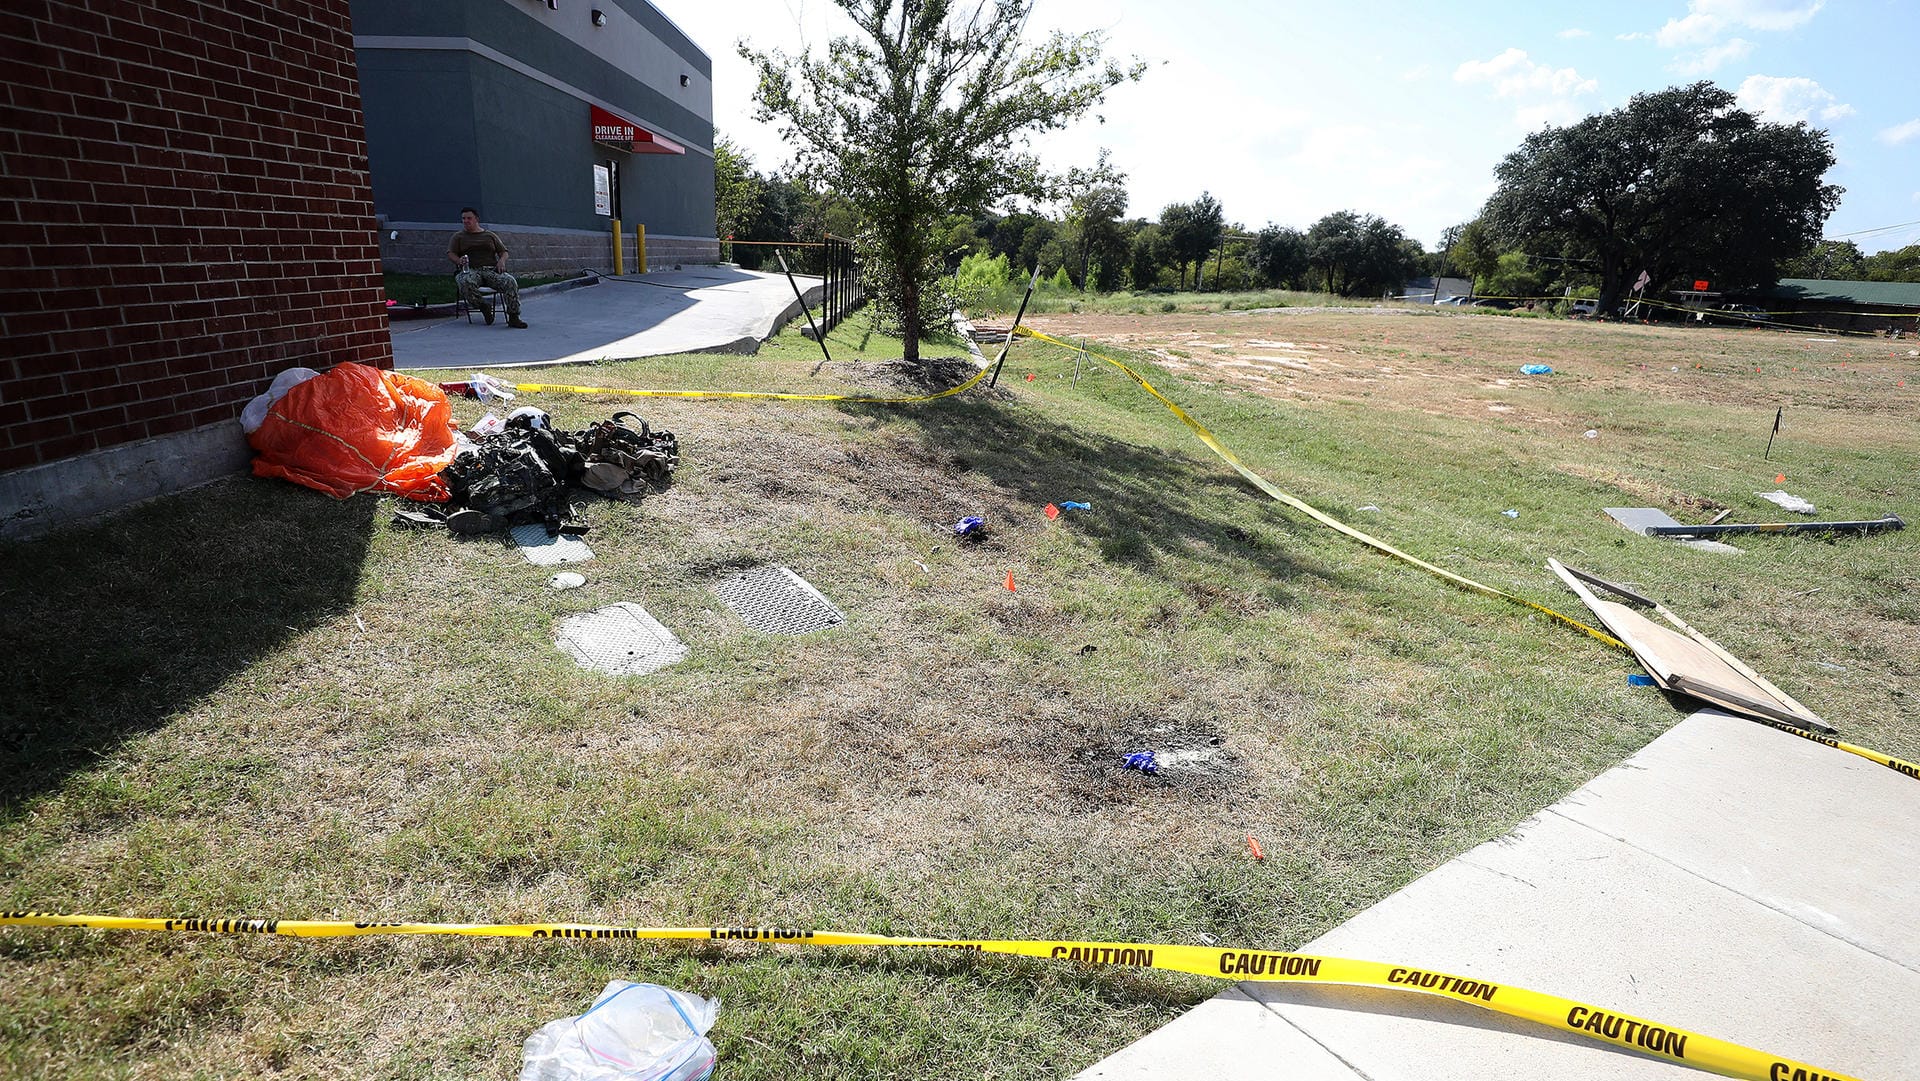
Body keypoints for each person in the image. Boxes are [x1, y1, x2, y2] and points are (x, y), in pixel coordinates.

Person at [447, 207, 528, 328]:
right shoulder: (458, 237)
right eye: (463, 218)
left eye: (469, 218)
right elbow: (451, 253)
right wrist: (459, 260)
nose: (466, 221)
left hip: (490, 269)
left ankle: (514, 317)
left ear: (476, 219)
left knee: (510, 281)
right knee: (464, 281)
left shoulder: (489, 235)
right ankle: (483, 306)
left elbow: (503, 251)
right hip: (471, 269)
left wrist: (501, 261)